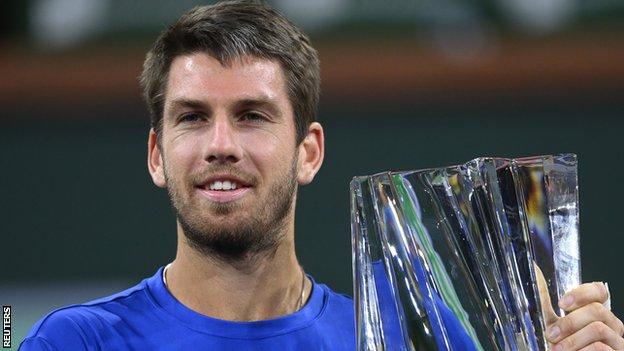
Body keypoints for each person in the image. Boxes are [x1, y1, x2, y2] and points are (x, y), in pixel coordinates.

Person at [20, 1, 624, 350]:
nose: (220, 145)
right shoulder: (74, 342)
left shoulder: (410, 341)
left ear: (309, 151)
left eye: (252, 116)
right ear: (157, 154)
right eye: (192, 118)